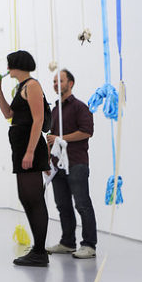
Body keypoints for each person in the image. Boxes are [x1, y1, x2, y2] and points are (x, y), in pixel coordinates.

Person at [0, 50, 51, 267]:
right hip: (20, 148)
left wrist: (30, 151)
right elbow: (9, 114)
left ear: (17, 65)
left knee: (34, 197)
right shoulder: (21, 88)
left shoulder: (32, 86)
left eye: (9, 65)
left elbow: (38, 120)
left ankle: (39, 250)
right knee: (25, 197)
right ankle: (37, 248)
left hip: (30, 148)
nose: (7, 69)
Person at [45, 69, 97, 259]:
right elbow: (51, 141)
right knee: (63, 205)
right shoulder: (55, 109)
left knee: (82, 204)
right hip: (57, 166)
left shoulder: (80, 107)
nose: (56, 84)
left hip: (76, 163)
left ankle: (89, 245)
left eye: (60, 81)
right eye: (54, 82)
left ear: (71, 83)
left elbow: (86, 131)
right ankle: (67, 243)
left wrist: (60, 138)